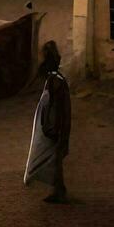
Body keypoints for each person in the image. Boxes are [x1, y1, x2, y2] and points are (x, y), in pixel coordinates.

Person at [23, 40, 71, 203]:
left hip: (54, 126)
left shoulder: (55, 82)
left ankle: (59, 190)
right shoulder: (56, 80)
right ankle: (58, 189)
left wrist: (52, 127)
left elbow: (55, 107)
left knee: (53, 157)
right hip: (54, 125)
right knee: (54, 158)